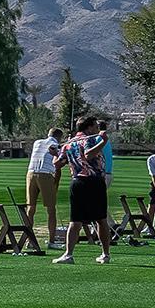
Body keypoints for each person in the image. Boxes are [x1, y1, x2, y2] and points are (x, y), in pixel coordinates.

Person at [55, 113, 112, 264]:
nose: (97, 129)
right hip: (94, 181)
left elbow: (58, 163)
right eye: (95, 126)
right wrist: (104, 141)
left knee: (76, 220)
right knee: (101, 219)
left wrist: (55, 153)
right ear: (89, 127)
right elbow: (88, 155)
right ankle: (105, 254)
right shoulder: (91, 139)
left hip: (78, 182)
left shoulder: (70, 142)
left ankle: (68, 254)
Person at [23, 119, 63, 248]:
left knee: (31, 208)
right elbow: (55, 152)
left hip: (30, 174)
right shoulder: (55, 144)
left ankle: (29, 241)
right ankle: (51, 241)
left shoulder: (37, 142)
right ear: (59, 137)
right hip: (45, 175)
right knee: (51, 209)